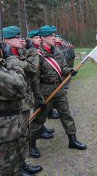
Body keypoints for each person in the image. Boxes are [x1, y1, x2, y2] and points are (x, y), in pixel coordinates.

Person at [29, 25, 86, 158]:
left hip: (59, 89)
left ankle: (72, 140)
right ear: (43, 38)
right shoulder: (37, 55)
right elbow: (34, 80)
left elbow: (63, 69)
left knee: (66, 114)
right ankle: (31, 145)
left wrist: (70, 72)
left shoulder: (57, 52)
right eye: (51, 36)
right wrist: (38, 98)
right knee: (39, 120)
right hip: (45, 91)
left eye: (54, 35)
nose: (54, 38)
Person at [2, 26, 43, 175]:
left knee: (23, 136)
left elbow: (33, 69)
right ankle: (18, 167)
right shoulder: (6, 58)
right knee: (14, 142)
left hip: (23, 103)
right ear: (6, 40)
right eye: (16, 37)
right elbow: (31, 69)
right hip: (10, 108)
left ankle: (22, 164)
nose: (21, 40)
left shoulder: (20, 53)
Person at [0, 42, 27, 176]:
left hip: (10, 125)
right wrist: (11, 58)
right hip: (5, 130)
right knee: (8, 168)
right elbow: (20, 86)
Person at [28, 29, 57, 138]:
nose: (39, 39)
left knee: (40, 113)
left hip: (38, 87)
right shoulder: (31, 52)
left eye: (38, 37)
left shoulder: (37, 50)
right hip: (32, 87)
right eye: (36, 37)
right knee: (36, 113)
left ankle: (41, 129)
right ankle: (33, 138)